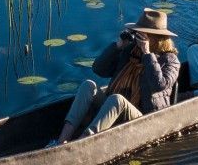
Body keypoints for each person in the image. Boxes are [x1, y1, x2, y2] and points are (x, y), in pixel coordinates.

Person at [52, 8, 182, 145]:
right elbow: (98, 69)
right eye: (137, 33)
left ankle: (82, 143)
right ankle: (61, 142)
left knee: (117, 100)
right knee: (88, 85)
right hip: (112, 109)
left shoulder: (171, 61)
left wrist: (147, 54)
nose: (138, 38)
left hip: (145, 117)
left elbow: (159, 85)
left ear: (156, 38)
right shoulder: (129, 51)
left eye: (143, 35)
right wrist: (118, 46)